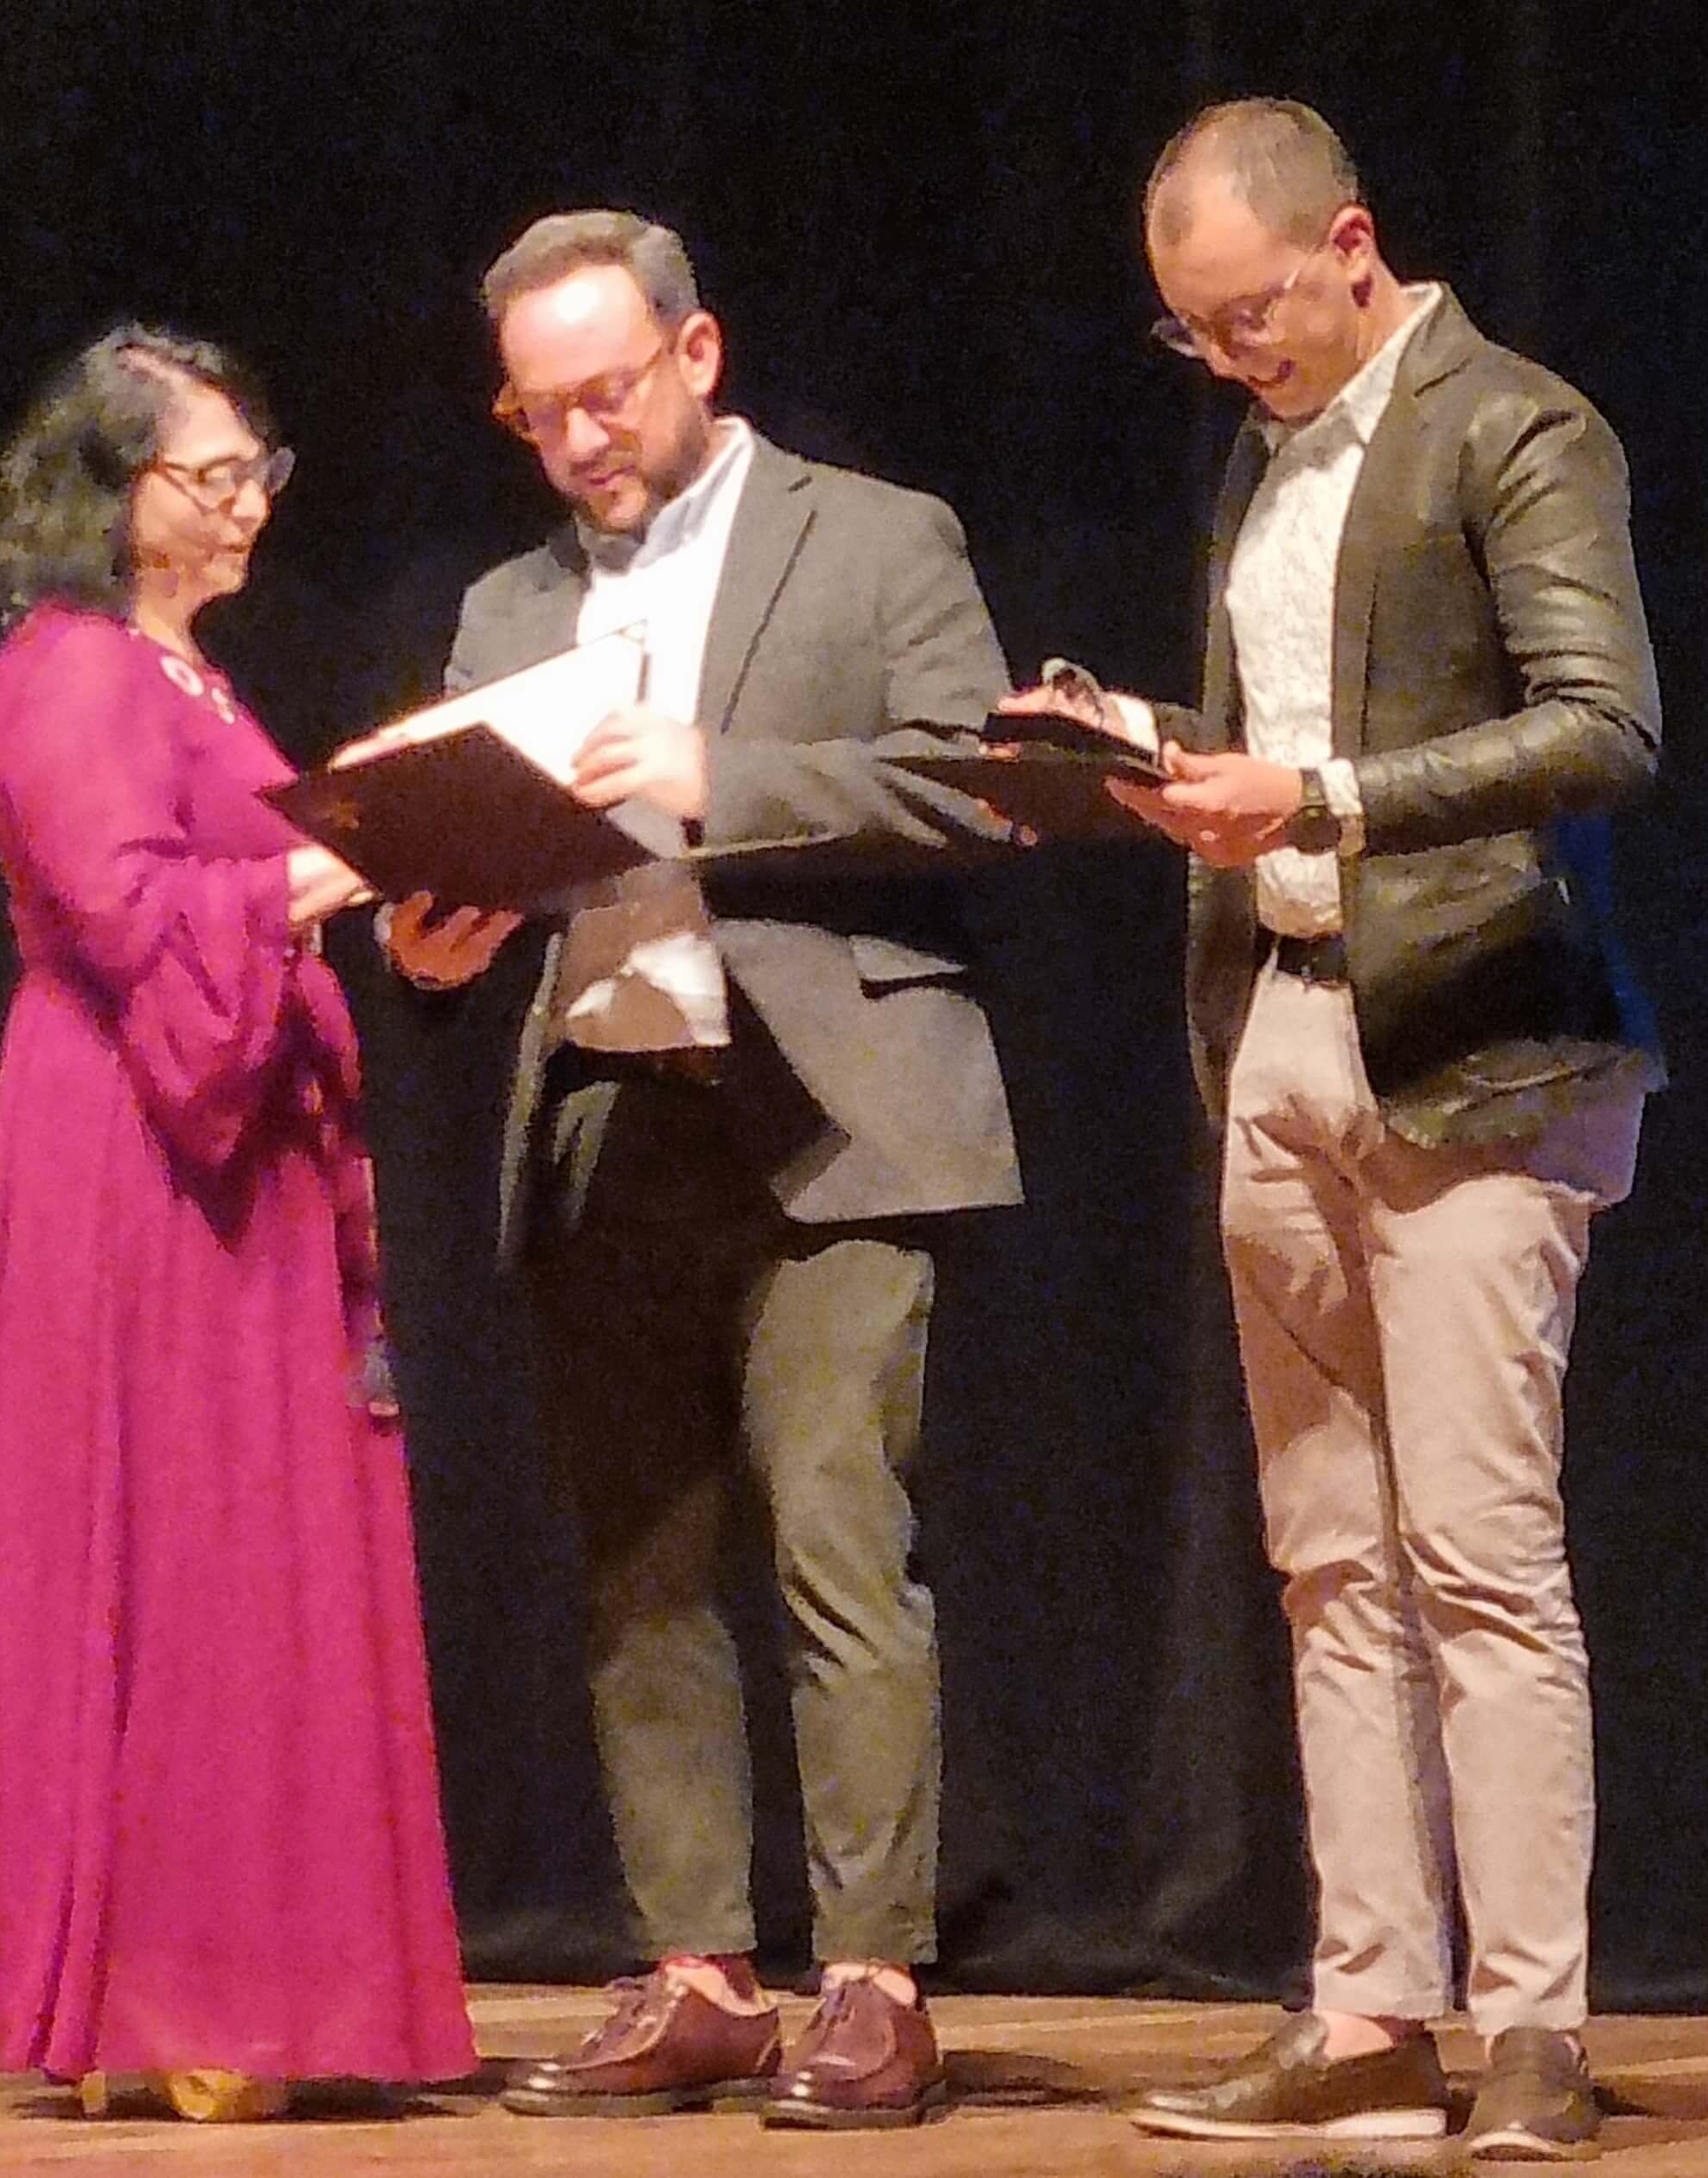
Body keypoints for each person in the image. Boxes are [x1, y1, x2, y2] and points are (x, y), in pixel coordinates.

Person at [1008, 100, 1663, 2160]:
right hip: (1281, 1034)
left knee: (1481, 1552)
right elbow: (1280, 741)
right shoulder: (1264, 456)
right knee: (1328, 1563)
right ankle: (1374, 2006)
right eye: (1191, 331)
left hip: (1476, 1052)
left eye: (1250, 314)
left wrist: (1324, 798)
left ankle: (1533, 2026)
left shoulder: (1515, 424)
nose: (1228, 357)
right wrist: (1147, 757)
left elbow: (1605, 725)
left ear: (1351, 241)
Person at [383, 210, 1020, 2130]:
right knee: (640, 1568)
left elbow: (974, 785)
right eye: (538, 411)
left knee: (837, 1536)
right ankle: (695, 1973)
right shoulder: (507, 609)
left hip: (832, 1110)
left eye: (606, 393)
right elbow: (467, 855)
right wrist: (430, 943)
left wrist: (712, 773)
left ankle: (874, 1979)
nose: (578, 439)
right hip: (606, 1107)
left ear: (697, 353)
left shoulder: (875, 535)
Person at [0, 325, 477, 2121]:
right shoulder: (66, 666)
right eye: (213, 474)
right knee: (177, 1534)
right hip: (135, 1139)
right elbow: (127, 913)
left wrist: (392, 894)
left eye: (261, 470)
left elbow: (228, 891)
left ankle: (272, 1973)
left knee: (259, 1540)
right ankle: (176, 1983)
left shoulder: (186, 674)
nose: (250, 500)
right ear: (113, 493)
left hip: (236, 1134)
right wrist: (345, 857)